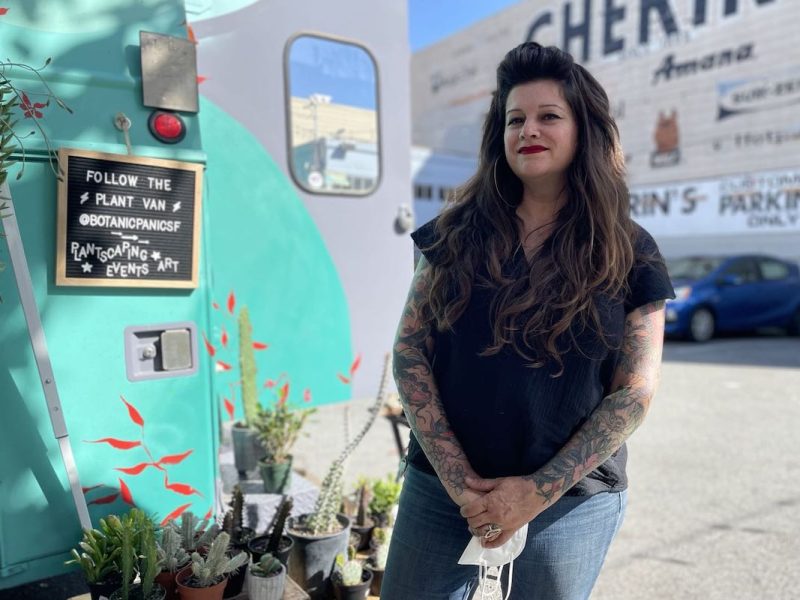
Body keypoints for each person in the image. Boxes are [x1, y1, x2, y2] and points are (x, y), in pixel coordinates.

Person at [382, 42, 675, 600]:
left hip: (570, 502)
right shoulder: (454, 233)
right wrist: (461, 485)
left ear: (583, 129)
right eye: (515, 119)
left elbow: (634, 391)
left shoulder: (630, 250)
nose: (527, 130)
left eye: (548, 116)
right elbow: (410, 351)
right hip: (443, 493)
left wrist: (535, 493)